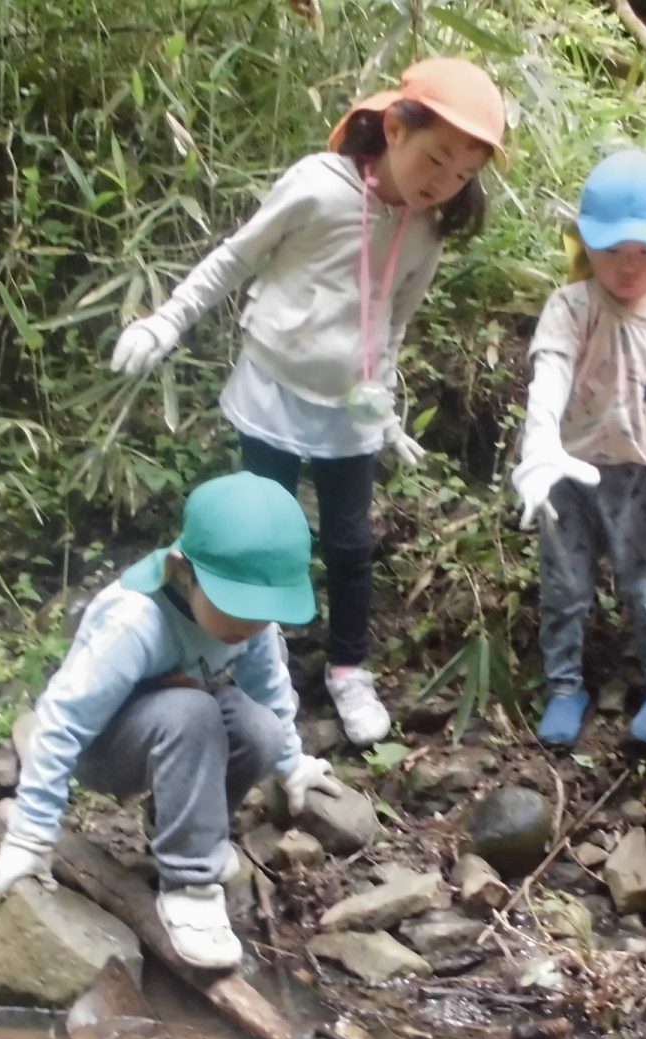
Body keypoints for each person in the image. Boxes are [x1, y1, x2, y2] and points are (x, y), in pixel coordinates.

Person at [107, 58, 508, 747]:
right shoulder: (318, 187)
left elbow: (394, 320)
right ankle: (246, 663)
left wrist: (385, 407)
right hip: (272, 389)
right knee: (260, 535)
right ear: (394, 127)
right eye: (436, 158)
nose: (442, 181)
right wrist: (167, 321)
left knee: (350, 546)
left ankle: (349, 668)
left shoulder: (424, 230)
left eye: (462, 174)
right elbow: (236, 257)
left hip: (349, 409)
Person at [0, 471, 344, 971]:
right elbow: (62, 720)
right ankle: (190, 886)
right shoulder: (135, 621)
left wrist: (292, 764)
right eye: (236, 607)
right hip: (105, 749)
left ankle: (182, 829)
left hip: (181, 733)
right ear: (181, 570)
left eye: (262, 612)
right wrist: (31, 836)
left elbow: (269, 688)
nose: (249, 626)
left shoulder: (252, 622)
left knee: (258, 726)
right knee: (192, 711)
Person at [512, 150, 646, 747]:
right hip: (570, 470)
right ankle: (565, 685)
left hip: (641, 475)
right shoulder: (573, 307)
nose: (628, 265)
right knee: (565, 584)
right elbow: (551, 371)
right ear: (585, 242)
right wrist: (540, 443)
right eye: (613, 250)